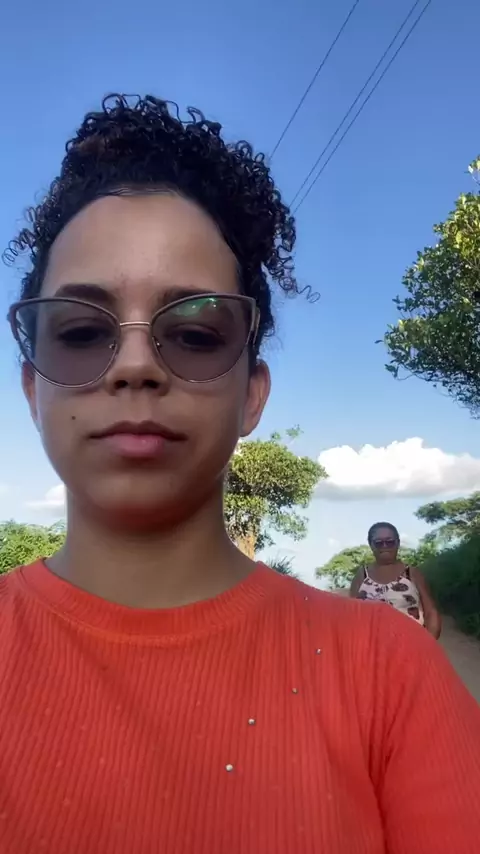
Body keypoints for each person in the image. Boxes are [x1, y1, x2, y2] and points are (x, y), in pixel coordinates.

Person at [1, 94, 480, 854]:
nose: (135, 365)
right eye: (83, 330)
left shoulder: (390, 671)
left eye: (194, 333)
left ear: (252, 393)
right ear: (33, 389)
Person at [350, 522, 442, 638]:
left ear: (398, 542)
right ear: (371, 544)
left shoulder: (412, 573)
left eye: (390, 542)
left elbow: (431, 612)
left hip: (411, 643)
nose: (384, 546)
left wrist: (429, 644)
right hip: (371, 646)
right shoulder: (362, 575)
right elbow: (351, 615)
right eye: (378, 543)